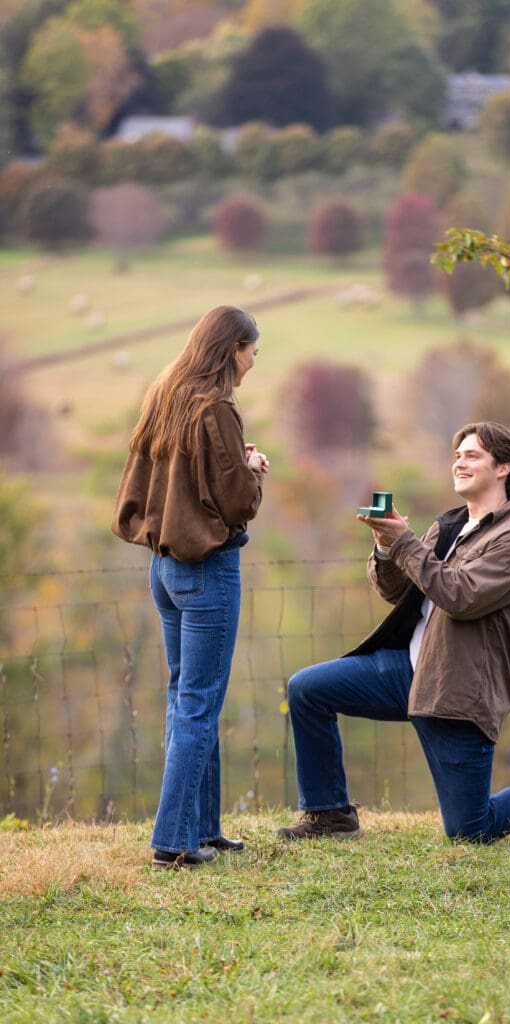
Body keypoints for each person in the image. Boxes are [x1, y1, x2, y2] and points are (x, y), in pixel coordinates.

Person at [277, 421, 510, 843]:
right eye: (457, 456)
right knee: (307, 690)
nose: (460, 463)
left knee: (470, 830)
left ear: (503, 467)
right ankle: (329, 813)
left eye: (472, 456)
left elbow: (460, 595)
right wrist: (385, 545)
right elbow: (397, 591)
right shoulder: (449, 527)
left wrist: (407, 543)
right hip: (406, 670)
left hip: (456, 690)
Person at [112, 305, 269, 869]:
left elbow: (178, 475)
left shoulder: (167, 394)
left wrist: (235, 464)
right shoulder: (217, 406)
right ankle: (173, 840)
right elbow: (237, 503)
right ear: (233, 349)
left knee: (187, 702)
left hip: (165, 568)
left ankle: (203, 827)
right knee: (199, 707)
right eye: (253, 349)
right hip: (207, 571)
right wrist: (253, 471)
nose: (255, 360)